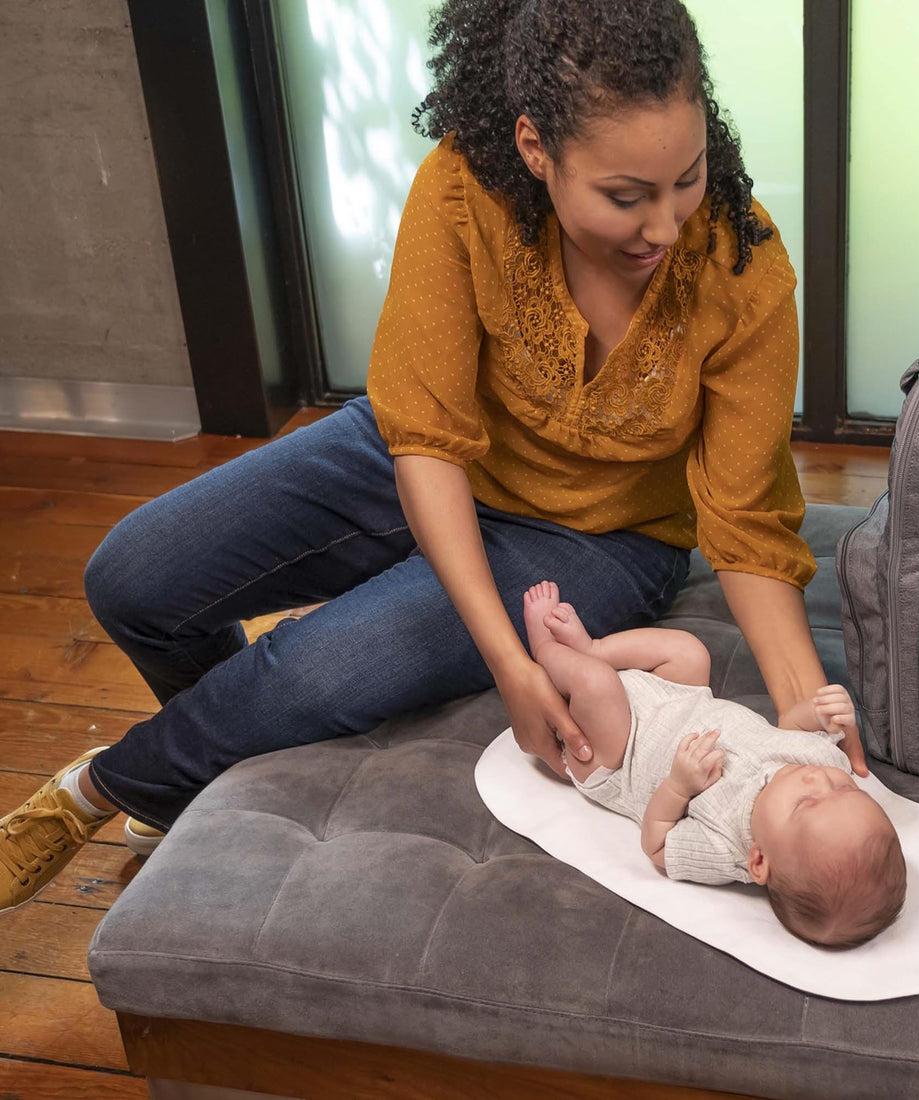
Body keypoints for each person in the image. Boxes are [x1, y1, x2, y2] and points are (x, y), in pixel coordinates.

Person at [0, 0, 867, 914]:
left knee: (313, 673)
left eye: (686, 180)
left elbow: (747, 524)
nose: (666, 225)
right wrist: (509, 661)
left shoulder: (742, 270)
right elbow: (423, 438)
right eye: (626, 196)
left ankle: (101, 789)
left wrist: (802, 714)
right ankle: (203, 770)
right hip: (419, 453)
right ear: (536, 148)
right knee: (132, 577)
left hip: (601, 539)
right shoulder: (465, 189)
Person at [522, 582, 904, 948]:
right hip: (678, 697)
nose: (818, 780)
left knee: (597, 684)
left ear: (758, 860)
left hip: (618, 754)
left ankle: (541, 650)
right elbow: (790, 729)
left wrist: (678, 787)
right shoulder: (820, 763)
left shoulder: (724, 846)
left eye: (807, 803)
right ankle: (593, 647)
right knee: (691, 653)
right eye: (844, 787)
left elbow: (656, 844)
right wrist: (821, 713)